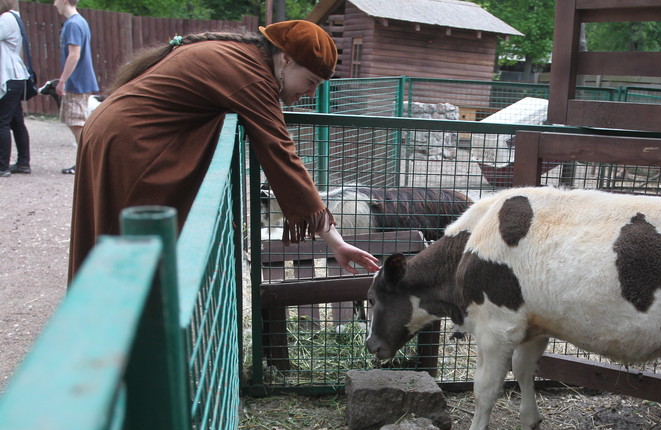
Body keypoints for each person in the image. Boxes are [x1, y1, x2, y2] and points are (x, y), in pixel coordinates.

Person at [68, 20, 380, 280]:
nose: (311, 92)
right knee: (119, 237)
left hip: (111, 128)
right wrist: (336, 242)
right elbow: (282, 156)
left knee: (109, 233)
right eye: (310, 81)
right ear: (285, 59)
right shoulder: (253, 78)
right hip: (127, 139)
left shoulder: (245, 56)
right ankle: (114, 322)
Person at [54, 0, 98, 175]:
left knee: (77, 122)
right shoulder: (80, 22)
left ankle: (88, 162)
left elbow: (74, 55)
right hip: (81, 80)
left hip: (77, 82)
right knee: (77, 121)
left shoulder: (73, 24)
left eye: (56, 0)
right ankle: (85, 161)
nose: (54, 4)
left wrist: (62, 80)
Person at [0, 0, 30, 177]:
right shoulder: (14, 18)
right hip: (16, 77)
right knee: (16, 122)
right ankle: (23, 163)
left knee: (2, 122)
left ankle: (2, 166)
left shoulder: (6, 19)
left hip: (9, 77)